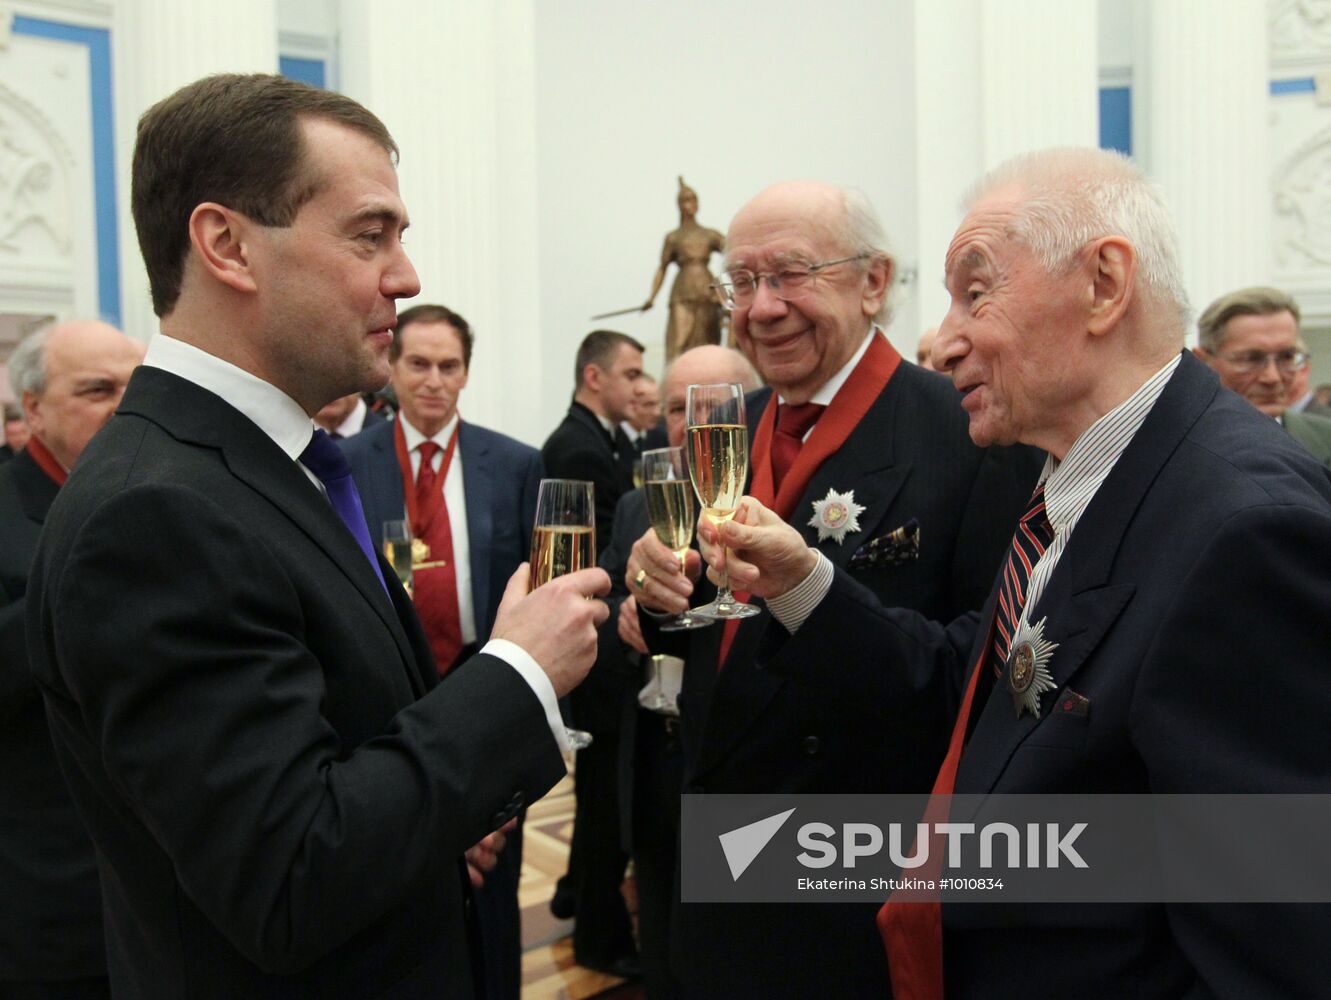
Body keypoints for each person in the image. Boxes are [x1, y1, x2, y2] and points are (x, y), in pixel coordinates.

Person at [24, 73, 609, 1000]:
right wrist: (518, 672)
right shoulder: (156, 514)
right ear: (227, 245)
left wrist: (432, 824)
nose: (407, 276)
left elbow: (339, 758)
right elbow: (290, 875)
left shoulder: (255, 466)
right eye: (369, 234)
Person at [703, 148, 1331, 999]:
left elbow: (1272, 934)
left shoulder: (1244, 526)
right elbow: (977, 692)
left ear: (1104, 284)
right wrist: (798, 581)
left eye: (975, 290)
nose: (948, 336)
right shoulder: (1081, 484)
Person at [626, 180, 1042, 998]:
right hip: (716, 841)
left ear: (874, 282)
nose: (761, 308)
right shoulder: (725, 423)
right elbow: (704, 633)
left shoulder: (969, 431)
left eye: (790, 275)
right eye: (741, 283)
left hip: (854, 871)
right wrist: (653, 593)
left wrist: (807, 592)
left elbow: (978, 677)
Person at [341, 302, 541, 999]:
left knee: (490, 907)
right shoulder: (343, 465)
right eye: (417, 363)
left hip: (488, 708)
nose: (432, 380)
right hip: (385, 719)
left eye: (447, 365)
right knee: (401, 917)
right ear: (390, 370)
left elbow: (536, 597)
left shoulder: (515, 464)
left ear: (465, 373)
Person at [602, 344, 760, 1000]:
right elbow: (609, 588)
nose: (688, 425)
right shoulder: (638, 505)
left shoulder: (761, 504)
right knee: (662, 943)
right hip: (655, 762)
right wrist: (620, 613)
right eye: (674, 408)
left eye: (714, 409)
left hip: (739, 779)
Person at [0, 320, 143, 1000]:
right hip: (55, 896)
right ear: (33, 410)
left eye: (133, 386)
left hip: (174, 880)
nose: (124, 404)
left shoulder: (165, 497)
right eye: (96, 389)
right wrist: (91, 580)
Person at [540, 328, 645, 976]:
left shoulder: (602, 439)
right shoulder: (578, 446)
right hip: (601, 645)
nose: (640, 387)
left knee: (603, 800)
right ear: (594, 377)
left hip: (606, 641)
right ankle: (599, 938)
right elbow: (603, 554)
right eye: (630, 374)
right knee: (605, 801)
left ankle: (579, 898)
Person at [1195, 285, 1331, 465]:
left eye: (1287, 357)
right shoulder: (1170, 446)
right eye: (1251, 359)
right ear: (1203, 361)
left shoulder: (1325, 439)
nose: (1272, 377)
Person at [642, 177, 727, 361]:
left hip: (707, 290)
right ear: (679, 205)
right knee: (678, 341)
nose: (690, 205)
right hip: (682, 290)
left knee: (708, 341)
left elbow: (734, 251)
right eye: (686, 200)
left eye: (693, 200)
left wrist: (731, 292)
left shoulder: (709, 234)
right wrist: (651, 297)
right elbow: (662, 268)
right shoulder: (673, 237)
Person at [315, 390, 386, 437]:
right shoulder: (305, 440)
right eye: (316, 378)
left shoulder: (387, 437)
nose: (327, 390)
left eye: (340, 377)